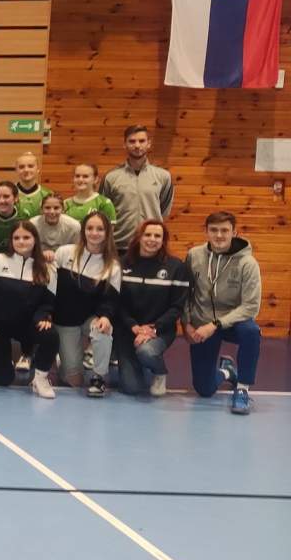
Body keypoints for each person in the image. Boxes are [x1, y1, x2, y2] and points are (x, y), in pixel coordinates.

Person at [184, 211, 261, 414]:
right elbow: (184, 292)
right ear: (206, 231)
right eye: (214, 230)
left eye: (225, 231)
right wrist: (187, 323)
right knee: (204, 389)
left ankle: (242, 389)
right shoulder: (194, 256)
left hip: (234, 323)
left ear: (234, 232)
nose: (219, 235)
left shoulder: (247, 263)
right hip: (203, 322)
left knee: (251, 331)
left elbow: (251, 306)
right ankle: (227, 371)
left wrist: (216, 324)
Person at [0, 221, 58, 397]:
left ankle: (40, 379)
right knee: (2, 379)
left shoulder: (48, 268)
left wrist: (44, 317)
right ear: (11, 240)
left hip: (27, 326)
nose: (21, 241)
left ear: (35, 239)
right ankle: (4, 364)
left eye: (26, 237)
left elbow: (47, 302)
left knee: (50, 335)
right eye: (16, 238)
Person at [115, 219, 189, 397]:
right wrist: (133, 326)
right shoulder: (121, 264)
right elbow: (117, 303)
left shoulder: (176, 267)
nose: (152, 239)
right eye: (147, 234)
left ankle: (159, 372)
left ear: (163, 241)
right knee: (132, 388)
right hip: (127, 330)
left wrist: (153, 329)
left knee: (146, 352)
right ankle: (132, 361)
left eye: (157, 236)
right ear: (139, 237)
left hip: (160, 330)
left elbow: (177, 307)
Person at [52, 211, 121, 397]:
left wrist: (105, 317)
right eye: (90, 228)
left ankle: (99, 377)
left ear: (107, 233)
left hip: (89, 318)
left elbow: (111, 299)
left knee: (103, 330)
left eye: (100, 229)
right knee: (74, 381)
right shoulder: (64, 253)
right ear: (83, 231)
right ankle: (65, 360)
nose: (94, 233)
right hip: (64, 320)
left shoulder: (112, 266)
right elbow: (49, 286)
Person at [100, 125, 175, 252]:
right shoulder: (111, 177)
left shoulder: (163, 176)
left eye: (141, 141)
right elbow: (104, 212)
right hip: (119, 246)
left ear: (149, 143)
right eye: (132, 141)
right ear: (124, 144)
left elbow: (163, 210)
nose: (137, 145)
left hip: (151, 245)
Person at [62, 163, 117, 230]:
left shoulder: (104, 203)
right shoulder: (65, 204)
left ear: (95, 179)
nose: (80, 180)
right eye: (77, 176)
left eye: (85, 176)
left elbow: (109, 233)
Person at [11, 151, 55, 220]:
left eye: (30, 166)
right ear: (16, 170)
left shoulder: (48, 194)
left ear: (38, 169)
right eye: (21, 167)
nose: (26, 170)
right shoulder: (9, 192)